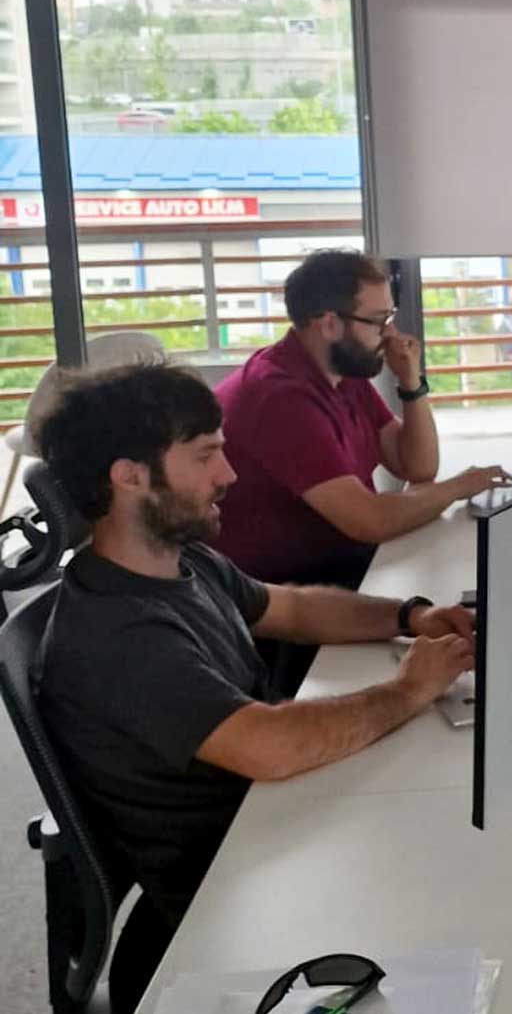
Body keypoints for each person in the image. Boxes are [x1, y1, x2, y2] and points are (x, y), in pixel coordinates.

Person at [33, 363, 478, 1014]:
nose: (229, 475)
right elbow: (264, 746)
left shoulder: (178, 560)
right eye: (206, 455)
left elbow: (291, 610)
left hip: (274, 833)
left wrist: (409, 616)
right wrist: (409, 689)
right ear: (128, 476)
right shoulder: (118, 632)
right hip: (230, 905)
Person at [213, 249, 509, 589]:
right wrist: (460, 486)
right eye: (379, 320)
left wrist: (411, 383)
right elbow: (370, 521)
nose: (391, 333)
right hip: (291, 594)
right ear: (329, 324)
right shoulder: (279, 398)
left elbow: (416, 467)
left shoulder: (342, 372)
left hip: (342, 565)